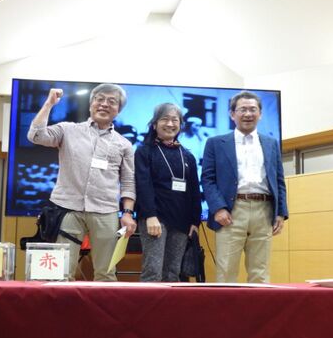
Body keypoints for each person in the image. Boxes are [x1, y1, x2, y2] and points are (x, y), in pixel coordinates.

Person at [27, 84, 136, 281]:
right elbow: (35, 136)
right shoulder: (68, 130)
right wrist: (49, 104)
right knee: (60, 274)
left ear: (118, 110)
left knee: (106, 273)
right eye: (99, 99)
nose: (104, 104)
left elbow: (128, 181)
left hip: (106, 211)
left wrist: (127, 213)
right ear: (91, 104)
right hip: (68, 207)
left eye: (112, 101)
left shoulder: (124, 144)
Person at [201, 91, 288, 283]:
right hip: (231, 211)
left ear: (260, 114)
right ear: (232, 114)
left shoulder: (271, 143)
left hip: (264, 210)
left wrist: (281, 213)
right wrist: (218, 208)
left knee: (260, 273)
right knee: (226, 272)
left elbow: (279, 179)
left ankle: (259, 305)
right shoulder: (215, 143)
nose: (248, 114)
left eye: (253, 109)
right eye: (242, 109)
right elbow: (207, 179)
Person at [135, 103, 202, 282]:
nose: (170, 124)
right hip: (155, 219)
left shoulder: (187, 155)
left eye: (175, 120)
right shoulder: (144, 151)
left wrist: (195, 221)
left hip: (181, 221)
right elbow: (143, 185)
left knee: (173, 273)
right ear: (154, 124)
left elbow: (194, 190)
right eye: (165, 119)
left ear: (180, 124)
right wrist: (150, 216)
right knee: (153, 272)